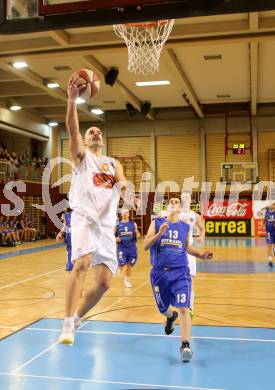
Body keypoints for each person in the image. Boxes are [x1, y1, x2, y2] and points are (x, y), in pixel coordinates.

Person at [58, 72, 136, 345]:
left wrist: (127, 190)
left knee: (103, 284)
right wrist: (72, 101)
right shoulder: (82, 158)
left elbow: (123, 181)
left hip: (106, 225)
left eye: (98, 131)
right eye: (90, 132)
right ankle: (67, 324)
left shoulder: (112, 163)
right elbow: (72, 130)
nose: (95, 133)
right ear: (85, 141)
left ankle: (78, 318)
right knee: (81, 263)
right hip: (83, 218)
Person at [144, 197, 212, 362]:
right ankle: (169, 316)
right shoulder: (157, 222)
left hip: (180, 272)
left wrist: (201, 255)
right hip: (159, 274)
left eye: (176, 201)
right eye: (170, 202)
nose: (173, 203)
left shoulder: (185, 227)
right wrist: (159, 234)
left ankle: (185, 345)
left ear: (181, 208)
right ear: (168, 207)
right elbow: (145, 245)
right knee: (163, 309)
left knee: (183, 308)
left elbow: (187, 248)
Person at [179, 191, 205, 316]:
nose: (184, 198)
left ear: (191, 199)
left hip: (189, 251)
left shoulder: (194, 215)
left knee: (190, 280)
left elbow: (202, 228)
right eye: (182, 197)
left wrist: (201, 236)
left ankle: (190, 307)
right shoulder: (175, 214)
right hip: (176, 251)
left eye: (187, 197)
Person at [116, 208, 140, 288]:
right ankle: (119, 266)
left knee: (129, 265)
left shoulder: (133, 224)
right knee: (122, 264)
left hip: (132, 248)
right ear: (121, 215)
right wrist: (115, 239)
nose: (125, 214)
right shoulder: (117, 225)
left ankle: (127, 280)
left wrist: (137, 233)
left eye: (127, 212)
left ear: (129, 214)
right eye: (124, 213)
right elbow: (111, 236)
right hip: (122, 248)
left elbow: (138, 235)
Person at [261, 202, 275, 267]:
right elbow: (264, 220)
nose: (270, 206)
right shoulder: (267, 212)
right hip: (269, 232)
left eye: (271, 205)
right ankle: (270, 261)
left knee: (274, 247)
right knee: (269, 246)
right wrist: (263, 223)